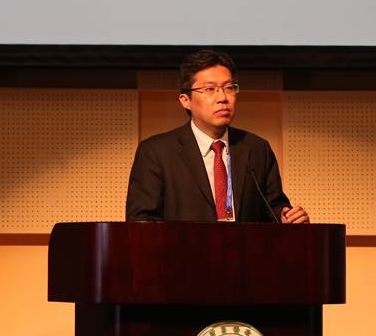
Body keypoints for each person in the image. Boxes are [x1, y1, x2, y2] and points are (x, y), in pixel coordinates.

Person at [126, 49, 310, 223]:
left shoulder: (257, 149)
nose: (222, 97)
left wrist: (286, 217)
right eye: (209, 89)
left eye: (229, 88)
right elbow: (142, 221)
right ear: (185, 100)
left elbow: (273, 207)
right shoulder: (156, 153)